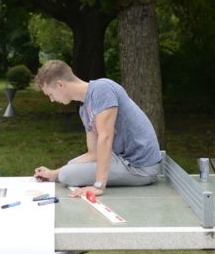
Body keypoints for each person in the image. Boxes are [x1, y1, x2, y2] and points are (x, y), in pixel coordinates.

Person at [33, 60, 162, 198]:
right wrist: (55, 173)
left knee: (66, 174)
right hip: (121, 158)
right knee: (68, 167)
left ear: (60, 84)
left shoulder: (102, 89)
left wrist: (98, 185)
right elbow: (93, 153)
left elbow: (105, 138)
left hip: (140, 167)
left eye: (51, 94)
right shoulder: (84, 110)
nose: (52, 100)